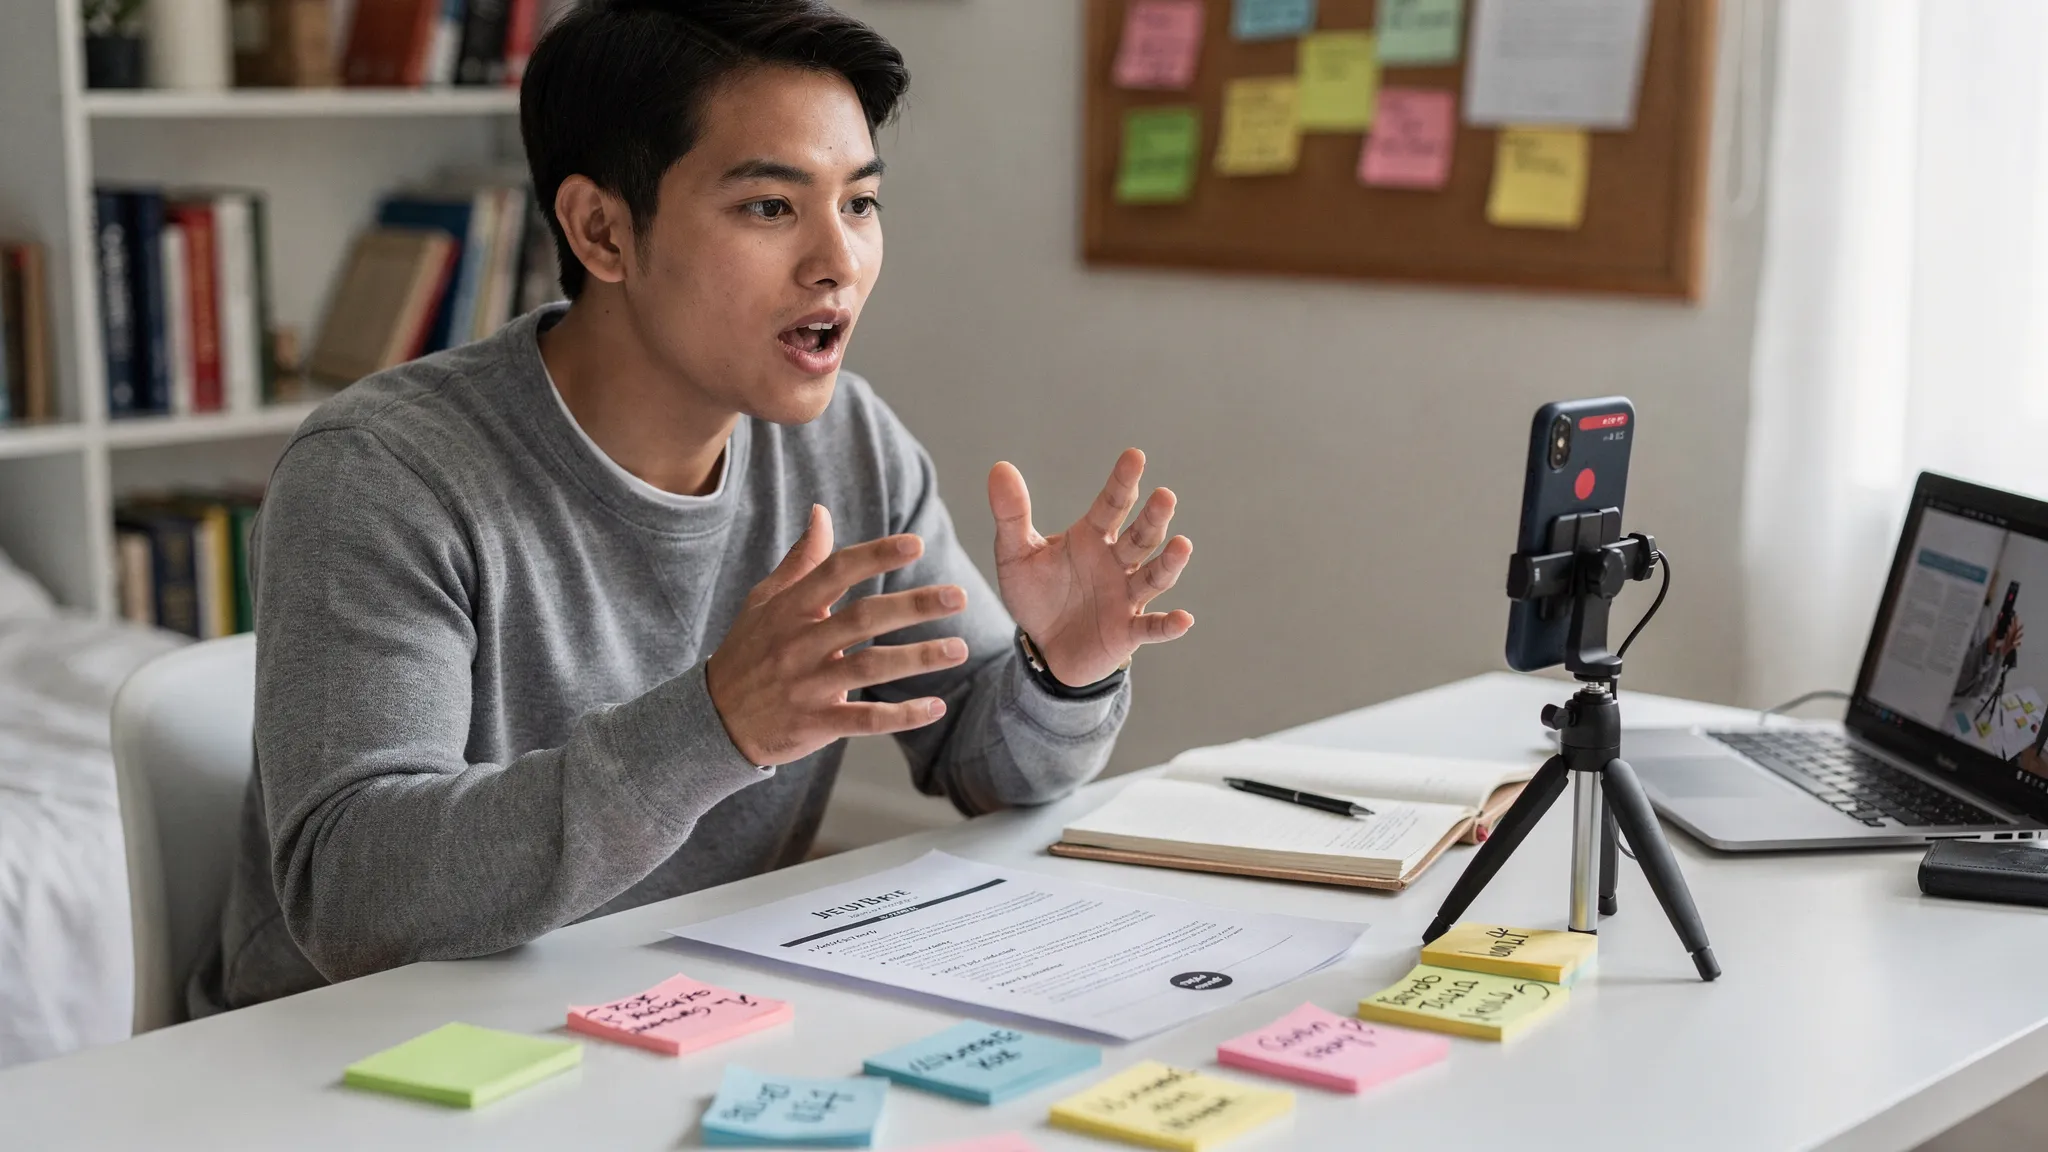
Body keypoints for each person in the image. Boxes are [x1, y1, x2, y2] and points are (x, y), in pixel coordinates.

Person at [193, 0, 1194, 1013]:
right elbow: (353, 896)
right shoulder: (386, 472)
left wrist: (1056, 675)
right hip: (350, 1057)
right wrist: (714, 723)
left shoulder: (843, 441)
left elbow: (983, 764)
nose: (837, 260)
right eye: (770, 207)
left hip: (672, 1013)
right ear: (602, 230)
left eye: (858, 202)